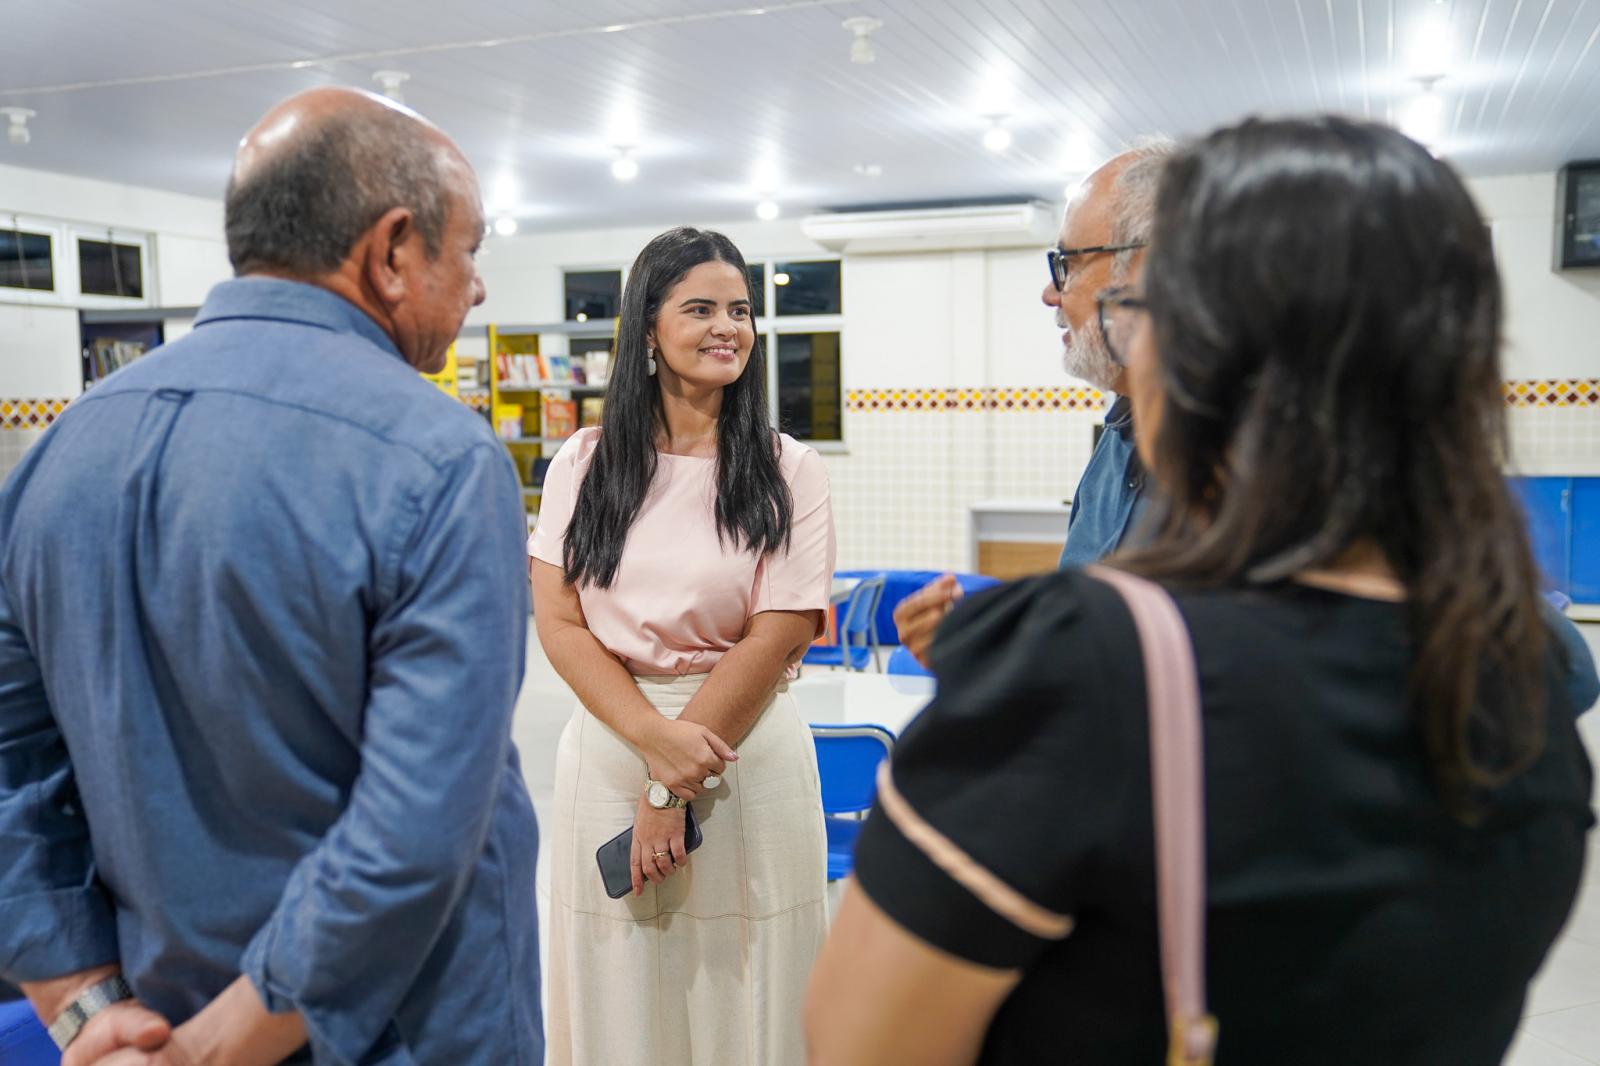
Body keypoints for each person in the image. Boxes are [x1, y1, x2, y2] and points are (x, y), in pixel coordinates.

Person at [805, 116, 1595, 1065]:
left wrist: (1025, 676)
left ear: (1167, 313)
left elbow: (860, 1041)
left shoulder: (1082, 672)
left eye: (1076, 267)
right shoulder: (1524, 679)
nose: (1059, 294)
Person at [0, 88, 541, 1065]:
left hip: (149, 1018)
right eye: (468, 251)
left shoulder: (57, 456)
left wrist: (85, 1008)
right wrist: (216, 1049)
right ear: (391, 250)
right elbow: (416, 827)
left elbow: (13, 770)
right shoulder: (436, 460)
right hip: (402, 1033)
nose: (477, 288)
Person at [530, 227, 835, 1066]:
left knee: (751, 987)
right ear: (648, 330)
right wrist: (651, 739)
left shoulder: (788, 468)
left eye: (739, 310)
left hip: (740, 755)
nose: (726, 327)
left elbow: (780, 632)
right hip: (614, 743)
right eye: (700, 309)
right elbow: (559, 621)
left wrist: (671, 784)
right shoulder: (584, 463)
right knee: (620, 987)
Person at [890, 142, 1171, 665]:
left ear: (1146, 269)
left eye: (1068, 264)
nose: (1050, 294)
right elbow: (1092, 643)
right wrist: (990, 652)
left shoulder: (1253, 459)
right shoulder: (1117, 442)